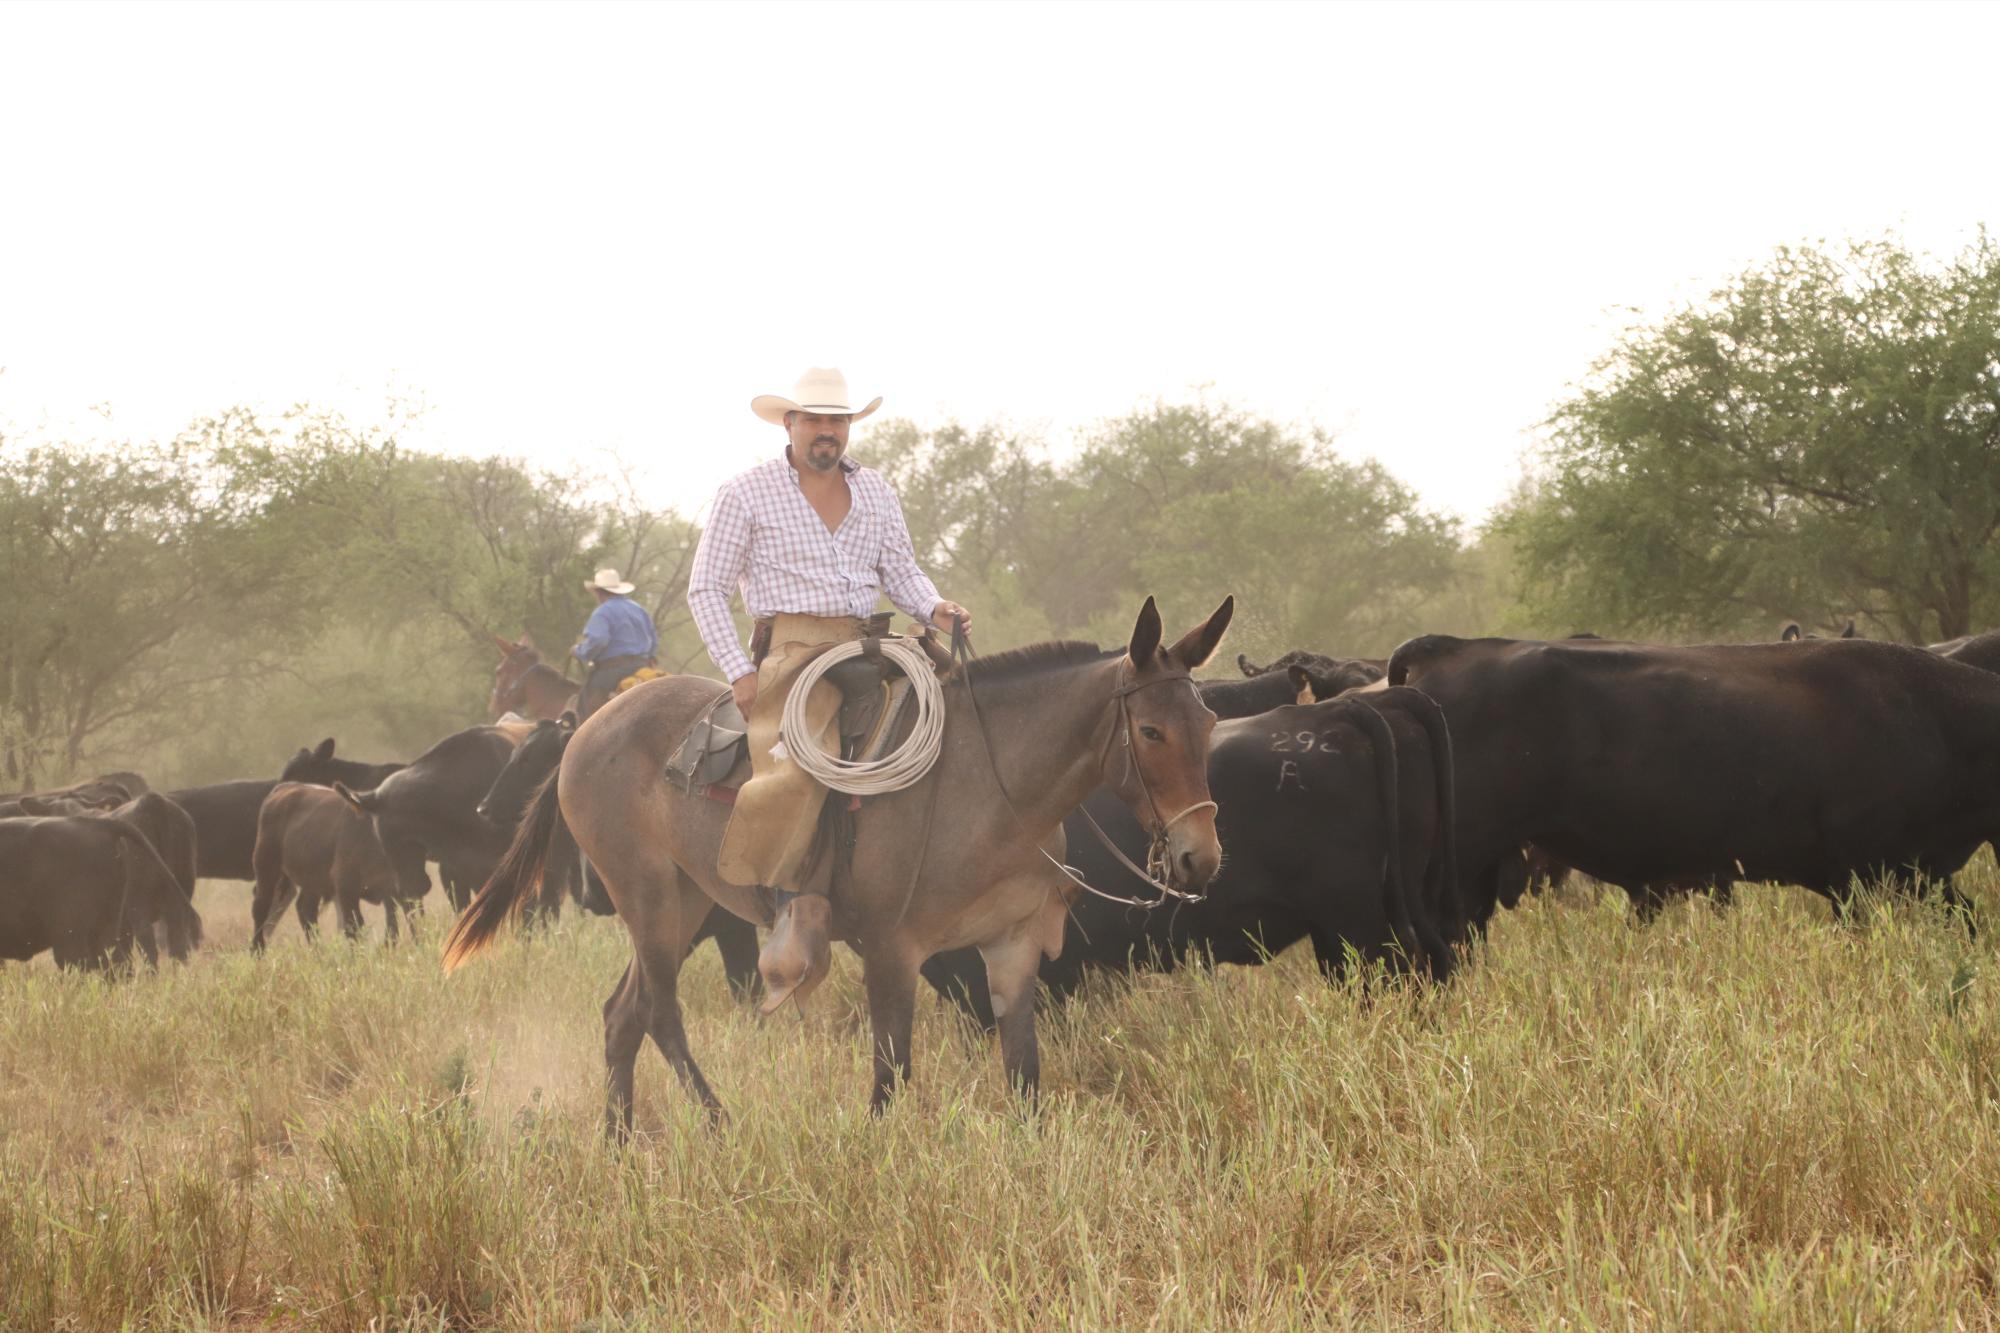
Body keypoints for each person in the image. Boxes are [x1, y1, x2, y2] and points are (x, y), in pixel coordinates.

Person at [687, 366, 971, 1006]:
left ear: (848, 428)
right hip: (792, 650)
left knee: (952, 722)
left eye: (836, 421)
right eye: (814, 420)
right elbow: (705, 587)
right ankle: (795, 908)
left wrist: (937, 609)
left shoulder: (876, 491)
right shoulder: (747, 494)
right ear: (788, 425)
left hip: (869, 640)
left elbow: (901, 570)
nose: (827, 432)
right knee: (800, 763)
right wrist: (739, 669)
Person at [572, 568, 659, 719]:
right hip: (642, 667)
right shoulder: (638, 609)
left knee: (584, 706)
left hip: (612, 671)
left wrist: (579, 651)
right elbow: (653, 640)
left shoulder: (602, 612)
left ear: (599, 592)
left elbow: (599, 640)